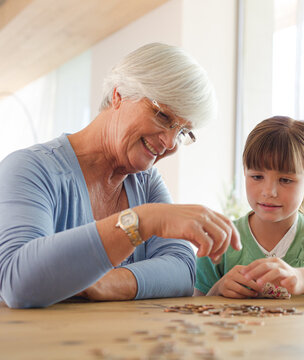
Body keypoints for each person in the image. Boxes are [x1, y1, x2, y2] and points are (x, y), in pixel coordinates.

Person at [0, 43, 241, 309]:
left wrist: (103, 283)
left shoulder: (146, 183)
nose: (171, 142)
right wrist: (143, 220)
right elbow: (18, 284)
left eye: (183, 132)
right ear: (118, 95)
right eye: (163, 115)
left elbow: (182, 270)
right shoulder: (30, 169)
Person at [195, 116, 304, 302]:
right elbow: (194, 306)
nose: (269, 192)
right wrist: (218, 288)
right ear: (245, 173)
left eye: (285, 180)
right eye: (256, 177)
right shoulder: (220, 239)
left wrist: (302, 278)